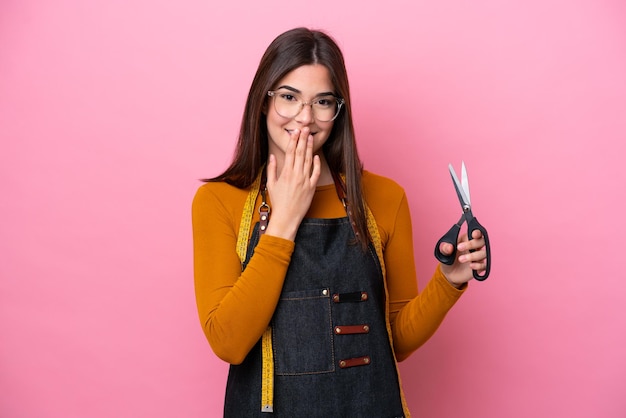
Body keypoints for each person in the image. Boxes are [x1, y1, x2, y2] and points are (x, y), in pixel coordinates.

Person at [192, 27, 488, 417]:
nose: (305, 118)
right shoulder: (219, 201)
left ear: (339, 110)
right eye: (288, 98)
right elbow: (228, 343)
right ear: (263, 103)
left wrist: (449, 281)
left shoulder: (385, 198)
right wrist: (285, 219)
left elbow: (393, 342)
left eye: (323, 102)